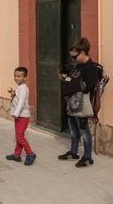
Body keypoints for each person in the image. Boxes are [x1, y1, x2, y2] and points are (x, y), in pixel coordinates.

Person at [58, 37, 99, 167]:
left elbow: (87, 87)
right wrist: (66, 79)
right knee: (73, 129)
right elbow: (72, 80)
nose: (73, 59)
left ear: (82, 53)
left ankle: (87, 157)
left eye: (75, 57)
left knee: (84, 130)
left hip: (81, 104)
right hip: (71, 102)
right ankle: (73, 152)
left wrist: (70, 83)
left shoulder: (91, 68)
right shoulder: (78, 66)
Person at [6, 67, 37, 165]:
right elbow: (17, 98)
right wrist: (13, 92)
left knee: (19, 136)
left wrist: (16, 113)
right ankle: (16, 155)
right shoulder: (19, 87)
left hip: (23, 116)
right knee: (19, 136)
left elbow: (21, 102)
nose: (16, 78)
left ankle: (30, 153)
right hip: (19, 116)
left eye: (19, 76)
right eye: (15, 76)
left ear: (25, 77)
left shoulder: (23, 88)